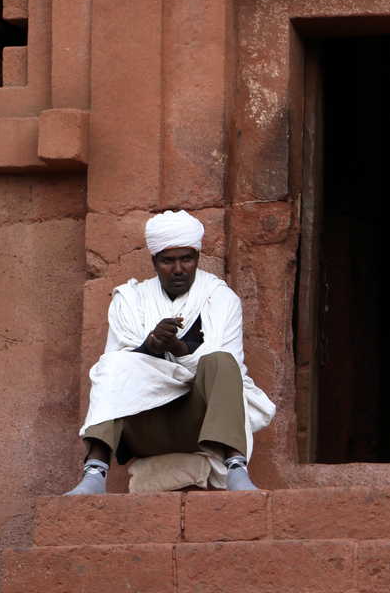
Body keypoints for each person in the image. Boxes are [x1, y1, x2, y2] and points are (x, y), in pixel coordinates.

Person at [65, 210, 275, 495]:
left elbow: (230, 371)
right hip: (145, 424)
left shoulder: (220, 298)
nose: (178, 269)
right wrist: (151, 347)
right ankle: (94, 473)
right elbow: (119, 370)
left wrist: (179, 349)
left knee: (222, 362)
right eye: (168, 260)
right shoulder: (131, 300)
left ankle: (236, 468)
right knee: (112, 365)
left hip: (202, 425)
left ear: (197, 258)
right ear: (154, 262)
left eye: (186, 259)